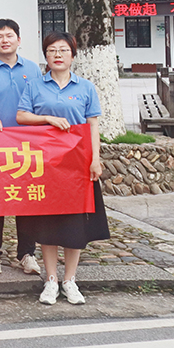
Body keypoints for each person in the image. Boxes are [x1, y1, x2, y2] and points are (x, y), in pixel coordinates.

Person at [16, 31, 109, 305]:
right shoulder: (35, 85)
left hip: (77, 164)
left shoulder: (86, 87)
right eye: (52, 50)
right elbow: (21, 116)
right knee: (48, 224)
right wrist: (47, 118)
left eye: (63, 50)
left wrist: (95, 158)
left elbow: (93, 125)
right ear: (45, 55)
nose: (58, 55)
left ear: (73, 55)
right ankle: (51, 280)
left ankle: (70, 280)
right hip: (46, 164)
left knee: (74, 224)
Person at [0, 18, 42, 276]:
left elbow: (39, 102)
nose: (5, 40)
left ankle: (27, 253)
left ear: (19, 39)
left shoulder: (33, 69)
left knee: (27, 200)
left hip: (27, 145)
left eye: (10, 35)